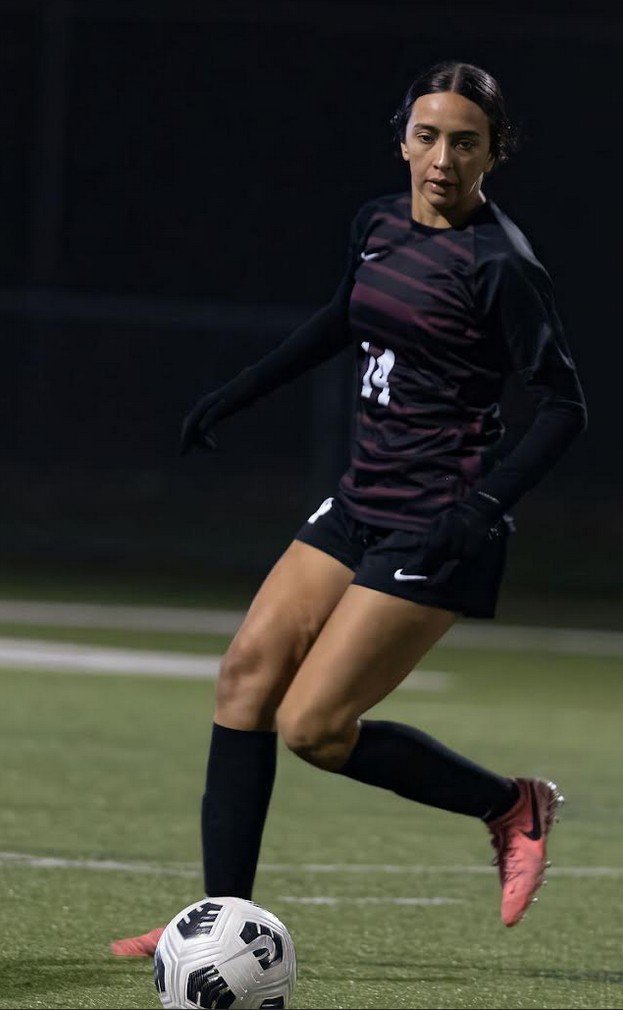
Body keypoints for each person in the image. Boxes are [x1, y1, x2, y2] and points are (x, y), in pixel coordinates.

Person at [112, 60, 587, 957]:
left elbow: (566, 405)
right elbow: (343, 317)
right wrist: (237, 392)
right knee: (245, 677)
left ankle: (508, 804)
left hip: (439, 520)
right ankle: (223, 927)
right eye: (426, 135)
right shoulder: (376, 221)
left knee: (313, 728)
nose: (441, 159)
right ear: (401, 136)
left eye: (464, 143)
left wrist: (482, 508)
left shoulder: (501, 267)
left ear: (494, 153)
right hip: (362, 497)